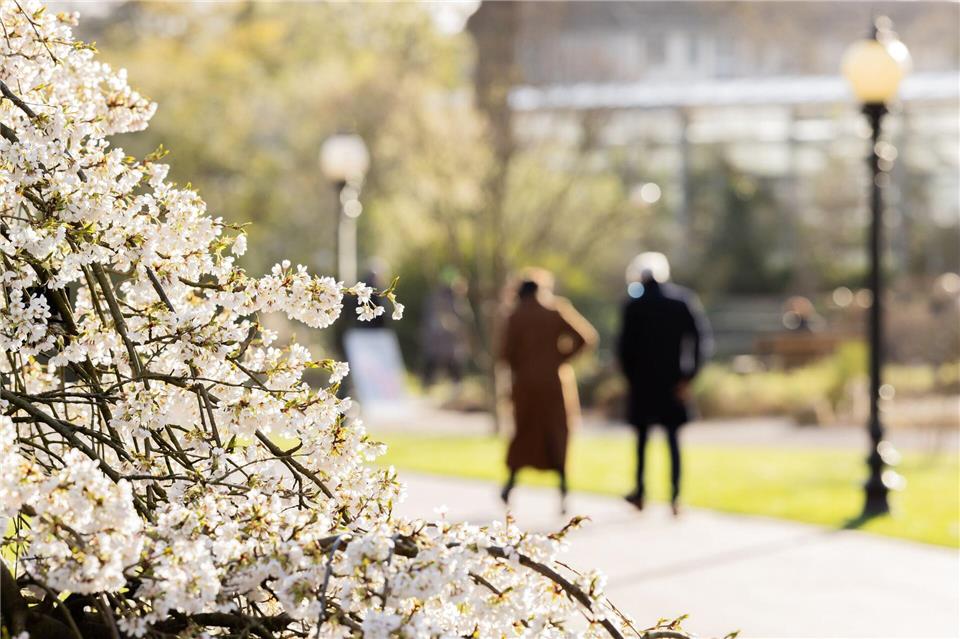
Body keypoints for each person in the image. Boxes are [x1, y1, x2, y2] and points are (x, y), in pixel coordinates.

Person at [617, 252, 711, 516]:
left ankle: (640, 492)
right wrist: (689, 376)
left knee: (642, 441)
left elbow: (623, 349)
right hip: (674, 382)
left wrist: (630, 378)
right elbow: (701, 340)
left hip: (643, 384)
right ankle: (675, 497)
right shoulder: (681, 301)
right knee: (673, 441)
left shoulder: (633, 305)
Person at [499, 270, 597, 514]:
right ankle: (563, 491)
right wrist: (561, 359)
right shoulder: (556, 311)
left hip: (526, 386)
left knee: (523, 434)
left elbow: (504, 354)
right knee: (557, 435)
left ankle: (509, 487)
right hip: (555, 385)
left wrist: (521, 367)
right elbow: (586, 337)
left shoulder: (515, 316)